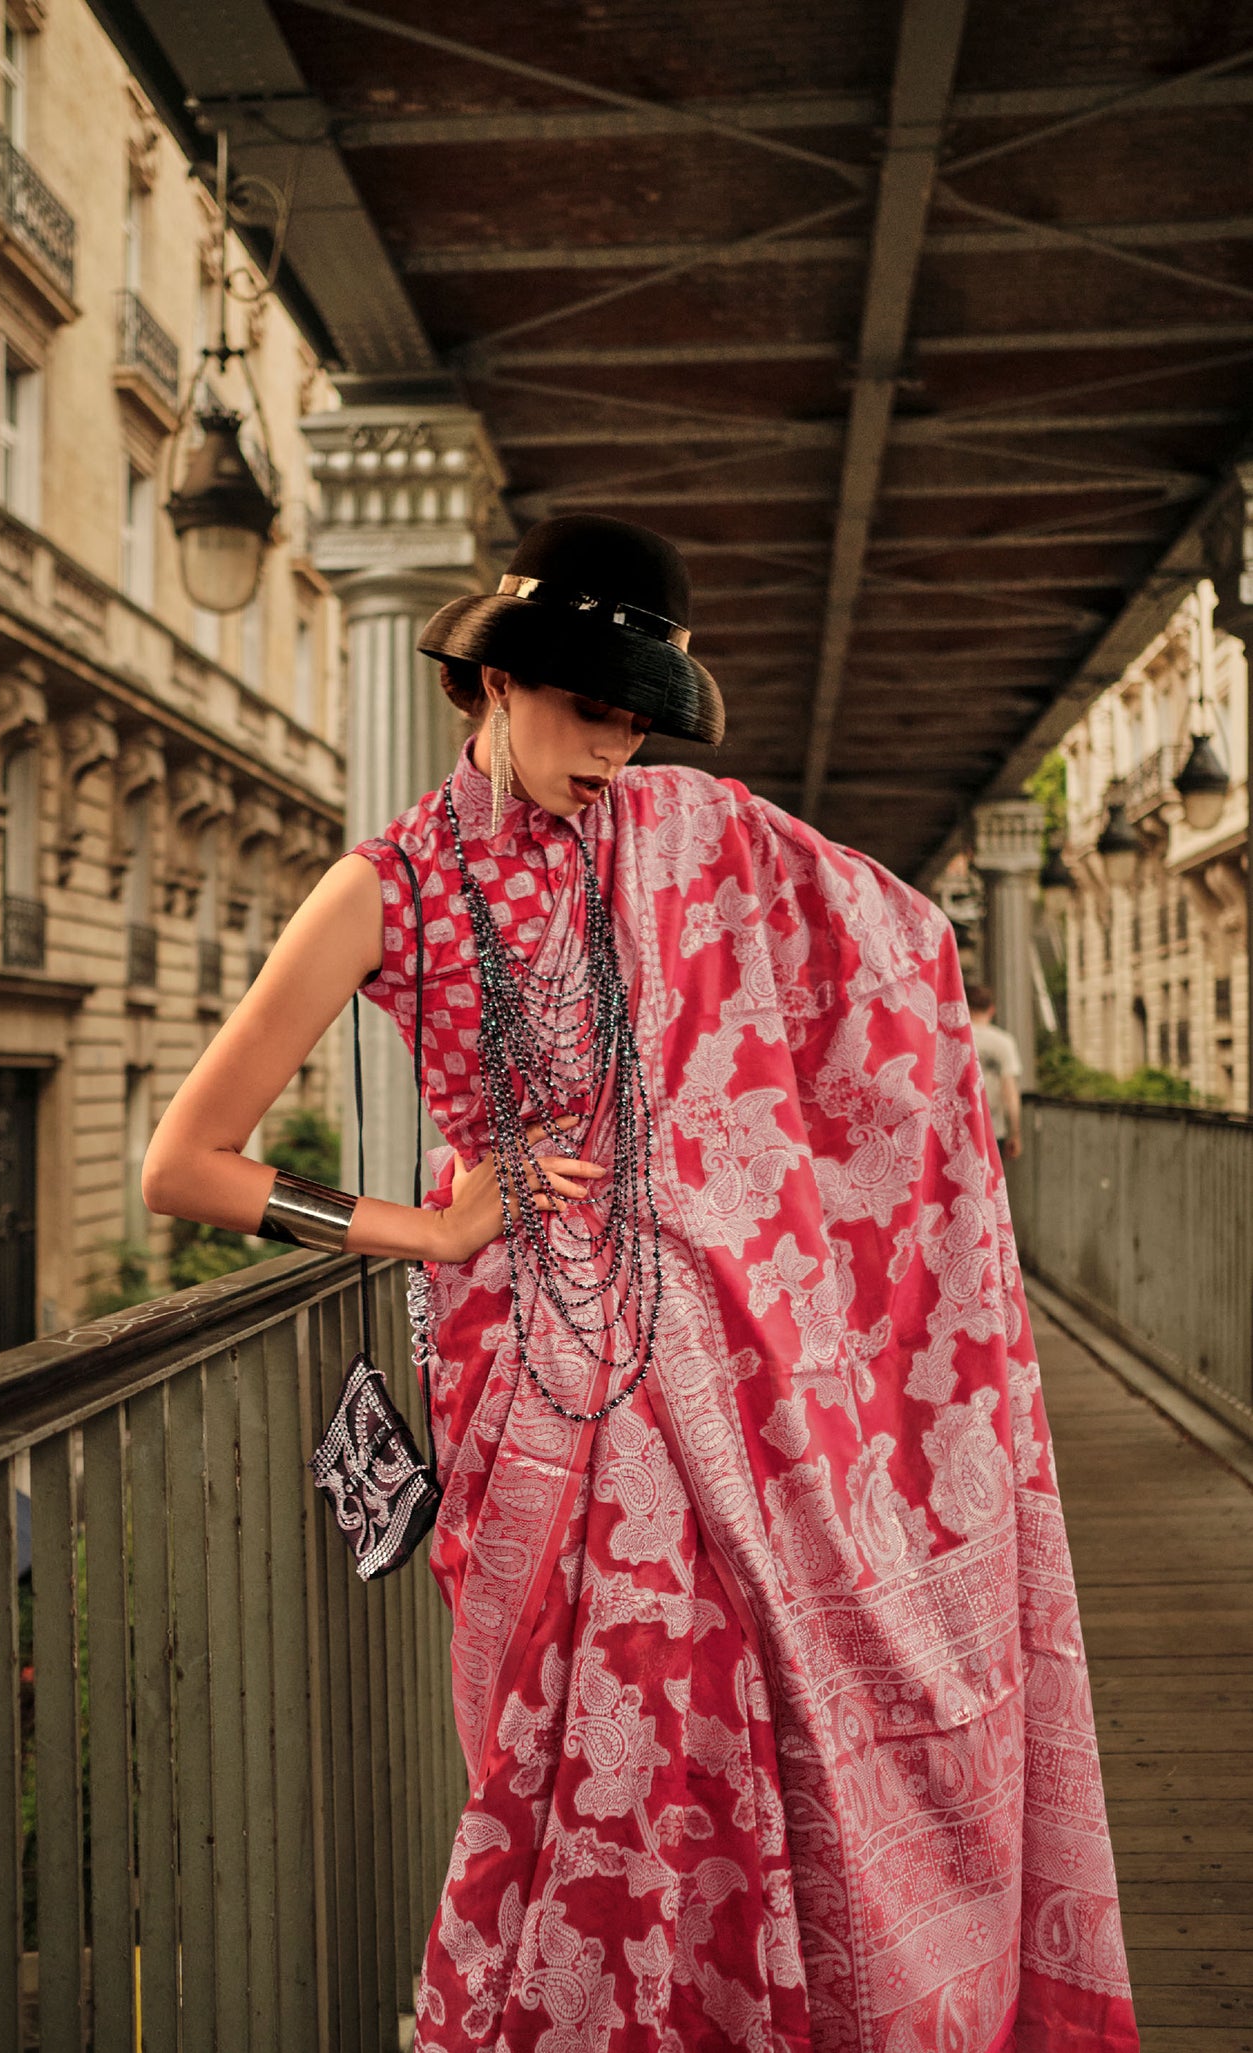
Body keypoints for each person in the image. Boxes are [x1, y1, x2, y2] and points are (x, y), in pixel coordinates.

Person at [144, 516, 1138, 2052]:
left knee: (728, 1692)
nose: (612, 750)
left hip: (707, 1349)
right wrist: (427, 1231)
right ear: (490, 682)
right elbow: (188, 1162)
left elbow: (905, 956)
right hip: (530, 1371)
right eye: (586, 709)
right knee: (576, 1741)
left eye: (633, 718)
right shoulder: (382, 888)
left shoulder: (682, 835)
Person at [968, 984, 1024, 1161]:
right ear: (991, 1010)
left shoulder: (950, 1038)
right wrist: (1015, 1133)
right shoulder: (1003, 1042)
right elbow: (1010, 1093)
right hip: (992, 1129)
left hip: (955, 1129)